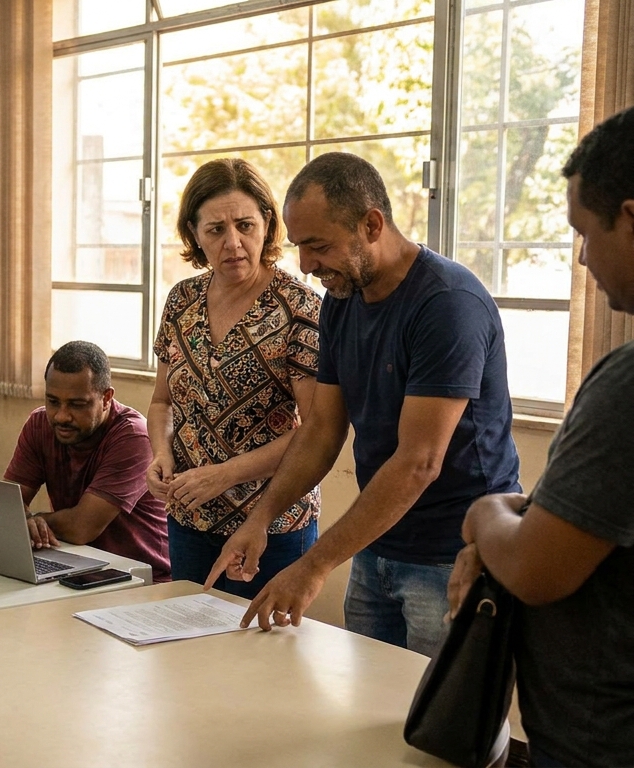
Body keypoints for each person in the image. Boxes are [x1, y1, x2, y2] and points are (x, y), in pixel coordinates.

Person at [210, 152, 521, 657]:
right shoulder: (341, 303)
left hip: (454, 557)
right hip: (377, 546)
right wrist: (260, 518)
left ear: (372, 224)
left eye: (318, 246)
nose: (307, 266)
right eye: (299, 247)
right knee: (372, 716)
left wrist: (313, 565)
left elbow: (419, 462)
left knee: (447, 728)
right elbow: (321, 432)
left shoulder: (447, 304)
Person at [448, 106, 634, 768]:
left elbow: (535, 568)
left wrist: (487, 514)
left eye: (586, 232)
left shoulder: (627, 386)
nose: (583, 258)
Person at [146, 158, 322, 598]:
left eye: (245, 225)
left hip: (272, 523)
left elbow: (316, 431)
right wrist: (160, 454)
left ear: (267, 222)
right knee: (188, 653)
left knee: (260, 656)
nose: (233, 243)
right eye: (215, 230)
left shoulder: (299, 307)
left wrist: (224, 475)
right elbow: (162, 402)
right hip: (189, 518)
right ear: (194, 234)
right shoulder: (181, 300)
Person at [6, 340, 171, 582]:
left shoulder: (134, 437)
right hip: (77, 566)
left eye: (77, 404)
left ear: (106, 398)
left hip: (141, 580)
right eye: (53, 402)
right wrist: (22, 519)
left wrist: (32, 521)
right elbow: (8, 505)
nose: (61, 416)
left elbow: (81, 527)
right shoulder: (39, 424)